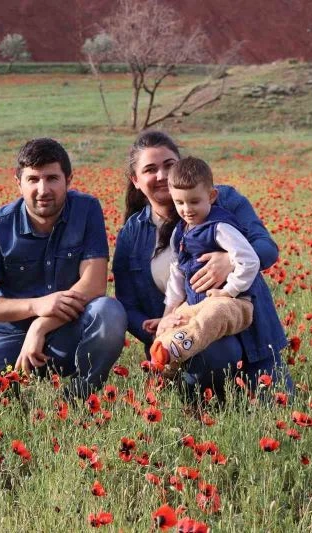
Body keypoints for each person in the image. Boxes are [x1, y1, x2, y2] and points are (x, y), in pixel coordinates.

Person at [0, 138, 127, 407]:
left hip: (65, 326)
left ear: (68, 179)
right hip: (4, 332)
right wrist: (36, 306)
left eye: (52, 178)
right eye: (33, 179)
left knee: (108, 313)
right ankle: (12, 388)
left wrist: (40, 324)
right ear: (18, 182)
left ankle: (80, 398)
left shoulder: (85, 210)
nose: (43, 189)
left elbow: (95, 283)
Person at [112, 131, 292, 402]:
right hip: (185, 337)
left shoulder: (223, 201)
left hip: (251, 335)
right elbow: (127, 303)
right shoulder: (132, 233)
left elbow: (266, 248)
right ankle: (197, 392)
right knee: (218, 351)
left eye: (169, 165)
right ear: (136, 180)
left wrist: (229, 261)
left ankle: (225, 394)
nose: (161, 175)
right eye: (150, 169)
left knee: (280, 408)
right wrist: (163, 322)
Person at [150, 156, 259, 376]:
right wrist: (169, 312)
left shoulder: (220, 227)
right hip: (194, 302)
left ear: (211, 196)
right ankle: (164, 367)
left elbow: (250, 260)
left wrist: (229, 291)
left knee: (213, 314)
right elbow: (177, 275)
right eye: (180, 203)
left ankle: (178, 347)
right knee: (173, 323)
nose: (187, 209)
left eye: (194, 201)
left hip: (234, 303)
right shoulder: (179, 233)